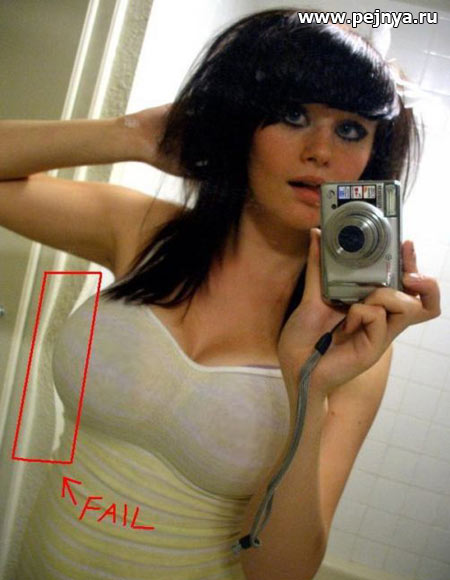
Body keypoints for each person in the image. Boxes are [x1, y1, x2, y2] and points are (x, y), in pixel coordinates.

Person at [2, 8, 440, 580]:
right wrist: (132, 135)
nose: (320, 150)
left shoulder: (355, 341)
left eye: (350, 129)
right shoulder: (144, 233)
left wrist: (307, 386)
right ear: (241, 122)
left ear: (371, 158)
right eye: (292, 114)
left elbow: (280, 573)